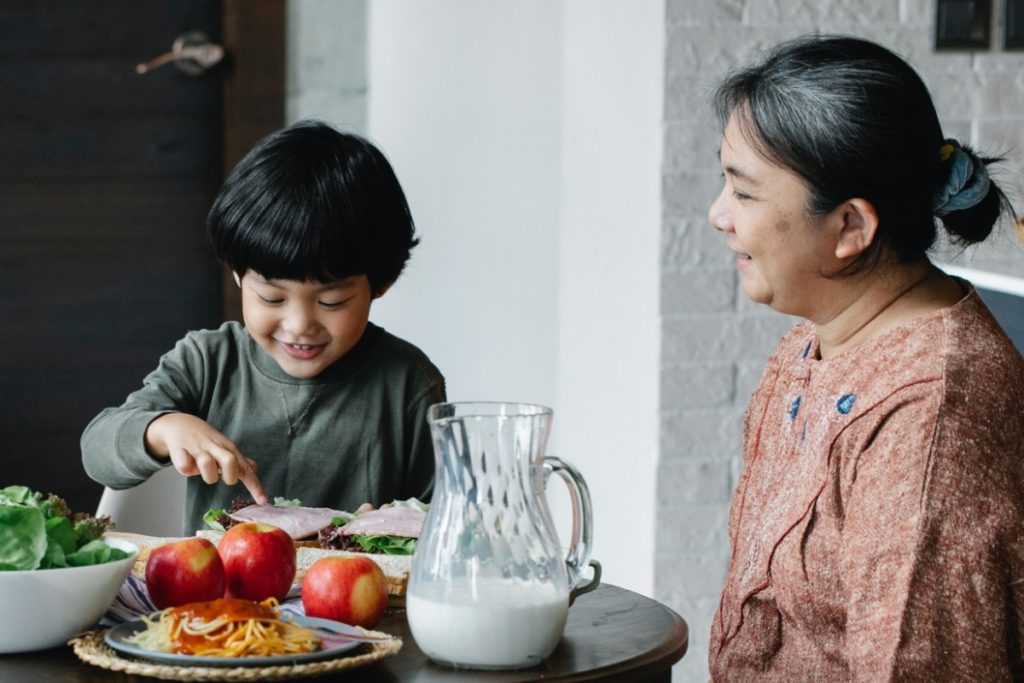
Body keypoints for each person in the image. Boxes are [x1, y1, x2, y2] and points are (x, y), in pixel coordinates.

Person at [706, 35, 1024, 680]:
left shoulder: (930, 415)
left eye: (744, 193)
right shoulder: (816, 343)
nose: (718, 215)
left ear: (851, 226)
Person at [82, 120, 446, 536]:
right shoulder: (207, 363)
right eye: (272, 298)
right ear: (238, 276)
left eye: (332, 302)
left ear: (380, 284)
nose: (299, 325)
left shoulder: (407, 385)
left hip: (353, 597)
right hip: (219, 597)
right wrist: (162, 428)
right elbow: (97, 450)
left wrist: (400, 524)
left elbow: (445, 520)